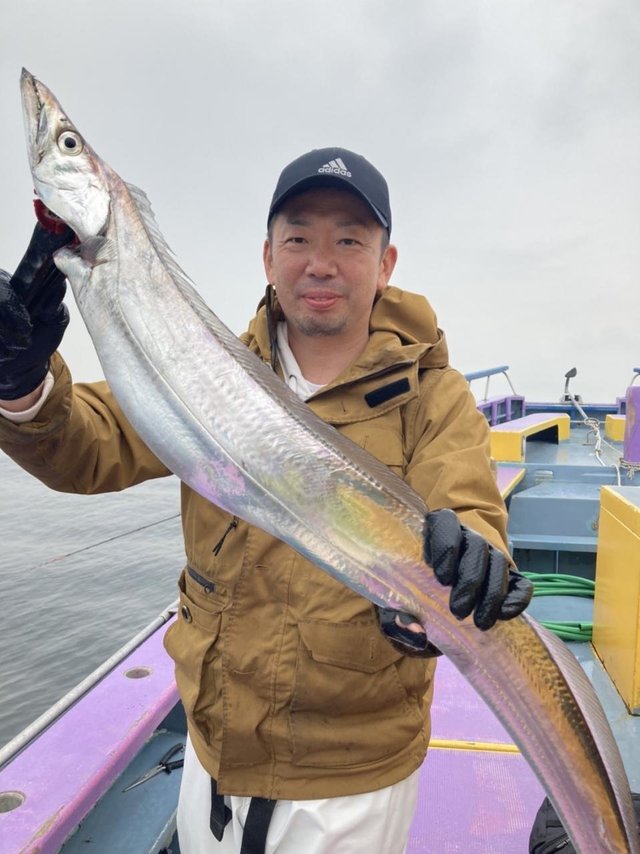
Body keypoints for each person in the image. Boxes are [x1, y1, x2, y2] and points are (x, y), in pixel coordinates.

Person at [0, 147, 532, 853]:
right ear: (267, 256)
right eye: (299, 237)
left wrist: (470, 558)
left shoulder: (434, 398)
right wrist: (22, 384)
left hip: (353, 781)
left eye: (349, 239)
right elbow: (87, 448)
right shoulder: (207, 370)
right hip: (213, 753)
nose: (321, 261)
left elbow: (466, 501)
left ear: (386, 263)